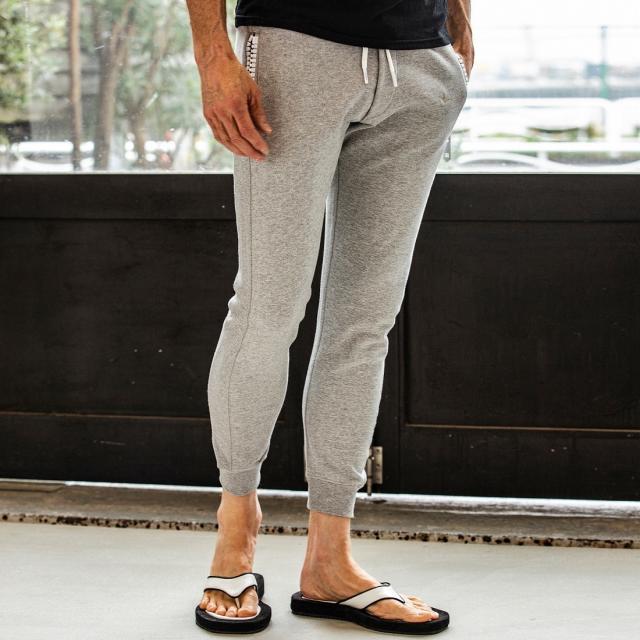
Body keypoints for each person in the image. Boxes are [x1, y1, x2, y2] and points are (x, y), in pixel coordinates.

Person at [185, 0, 473, 634]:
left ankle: (329, 561)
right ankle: (235, 531)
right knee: (267, 309)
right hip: (293, 48)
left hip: (421, 62)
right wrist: (212, 55)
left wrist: (459, 24)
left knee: (363, 327)